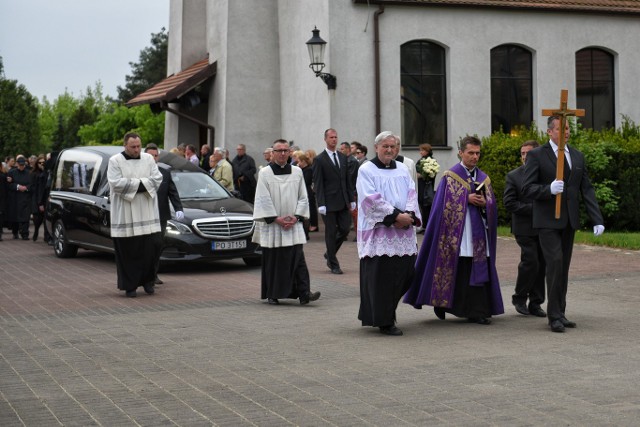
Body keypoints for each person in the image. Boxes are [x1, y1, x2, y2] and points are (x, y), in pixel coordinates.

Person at [404, 136, 504, 325]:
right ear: (461, 153)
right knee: (457, 268)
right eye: (471, 153)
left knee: (476, 267)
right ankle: (442, 304)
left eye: (477, 153)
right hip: (455, 234)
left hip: (478, 234)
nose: (475, 157)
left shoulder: (484, 178)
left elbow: (492, 206)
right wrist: (465, 199)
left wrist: (485, 204)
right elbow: (440, 205)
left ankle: (477, 310)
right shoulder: (450, 176)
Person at [522, 115, 605, 333]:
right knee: (555, 263)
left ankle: (561, 312)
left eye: (567, 128)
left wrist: (597, 218)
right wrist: (547, 190)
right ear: (550, 132)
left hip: (569, 220)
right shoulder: (536, 155)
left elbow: (586, 188)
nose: (566, 132)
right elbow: (527, 188)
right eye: (560, 128)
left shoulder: (577, 156)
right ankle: (554, 316)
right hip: (547, 220)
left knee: (563, 268)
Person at [357, 131, 422, 336]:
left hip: (402, 235)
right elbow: (370, 199)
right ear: (376, 147)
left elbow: (412, 193)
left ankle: (384, 313)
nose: (389, 150)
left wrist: (409, 215)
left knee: (406, 274)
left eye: (393, 146)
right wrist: (395, 217)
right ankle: (385, 320)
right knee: (382, 279)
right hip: (379, 236)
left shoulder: (403, 169)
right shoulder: (366, 169)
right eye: (385, 146)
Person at [252, 139, 321, 306]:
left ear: (290, 153)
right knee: (274, 260)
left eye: (285, 150)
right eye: (279, 150)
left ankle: (304, 293)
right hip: (274, 224)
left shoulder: (297, 172)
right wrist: (276, 219)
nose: (282, 153)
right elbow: (263, 198)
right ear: (273, 153)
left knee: (298, 258)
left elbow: (303, 197)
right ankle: (273, 293)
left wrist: (297, 217)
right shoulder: (265, 173)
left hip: (293, 223)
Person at [108, 132, 164, 298]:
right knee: (128, 253)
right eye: (133, 147)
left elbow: (157, 179)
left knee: (149, 252)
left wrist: (137, 184)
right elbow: (116, 183)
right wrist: (142, 184)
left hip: (147, 215)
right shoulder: (115, 161)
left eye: (139, 146)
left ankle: (148, 282)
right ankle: (130, 286)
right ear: (125, 145)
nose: (136, 149)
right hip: (126, 215)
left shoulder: (148, 159)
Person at [503, 140, 546, 317]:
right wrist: (535, 210)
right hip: (523, 227)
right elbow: (509, 203)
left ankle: (536, 303)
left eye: (529, 153)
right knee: (531, 261)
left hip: (544, 227)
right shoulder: (514, 176)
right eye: (522, 153)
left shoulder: (545, 175)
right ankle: (519, 297)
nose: (525, 157)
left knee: (542, 264)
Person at [312, 128, 355, 274]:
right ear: (325, 139)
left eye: (336, 137)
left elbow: (347, 180)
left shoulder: (343, 157)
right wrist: (321, 203)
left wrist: (351, 198)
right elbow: (318, 183)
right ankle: (333, 263)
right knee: (330, 233)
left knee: (344, 229)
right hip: (328, 203)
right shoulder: (319, 159)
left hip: (343, 200)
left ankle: (329, 253)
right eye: (331, 137)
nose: (334, 140)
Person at [144, 144, 184, 285]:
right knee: (145, 246)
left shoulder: (164, 172)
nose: (153, 158)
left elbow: (172, 192)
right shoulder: (140, 172)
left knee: (157, 245)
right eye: (150, 155)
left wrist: (178, 208)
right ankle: (144, 274)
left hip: (161, 215)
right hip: (144, 216)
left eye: (155, 155)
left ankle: (153, 274)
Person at [415, 143, 438, 233]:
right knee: (421, 204)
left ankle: (428, 226)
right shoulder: (421, 160)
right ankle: (424, 225)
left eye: (422, 150)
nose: (421, 152)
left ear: (427, 151)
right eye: (420, 150)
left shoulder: (431, 161)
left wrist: (422, 175)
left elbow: (432, 174)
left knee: (427, 205)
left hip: (427, 186)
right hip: (421, 185)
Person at [7, 157, 32, 240]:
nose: (21, 166)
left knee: (25, 216)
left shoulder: (29, 173)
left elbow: (32, 184)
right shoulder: (11, 172)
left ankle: (25, 234)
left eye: (23, 165)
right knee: (15, 216)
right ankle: (15, 232)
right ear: (17, 164)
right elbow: (9, 184)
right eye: (20, 165)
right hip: (15, 197)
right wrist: (18, 186)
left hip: (25, 197)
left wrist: (26, 188)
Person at [294, 151, 316, 239]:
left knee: (307, 211)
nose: (298, 163)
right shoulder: (301, 170)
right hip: (302, 191)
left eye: (299, 161)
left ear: (303, 161)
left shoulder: (308, 169)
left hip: (307, 192)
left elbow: (306, 181)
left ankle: (306, 232)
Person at [30, 155, 48, 242]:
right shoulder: (34, 174)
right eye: (40, 163)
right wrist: (38, 202)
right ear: (37, 163)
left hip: (45, 198)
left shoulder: (47, 173)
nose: (42, 164)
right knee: (37, 218)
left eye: (43, 163)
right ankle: (36, 230)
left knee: (45, 218)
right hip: (36, 197)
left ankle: (46, 236)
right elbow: (33, 187)